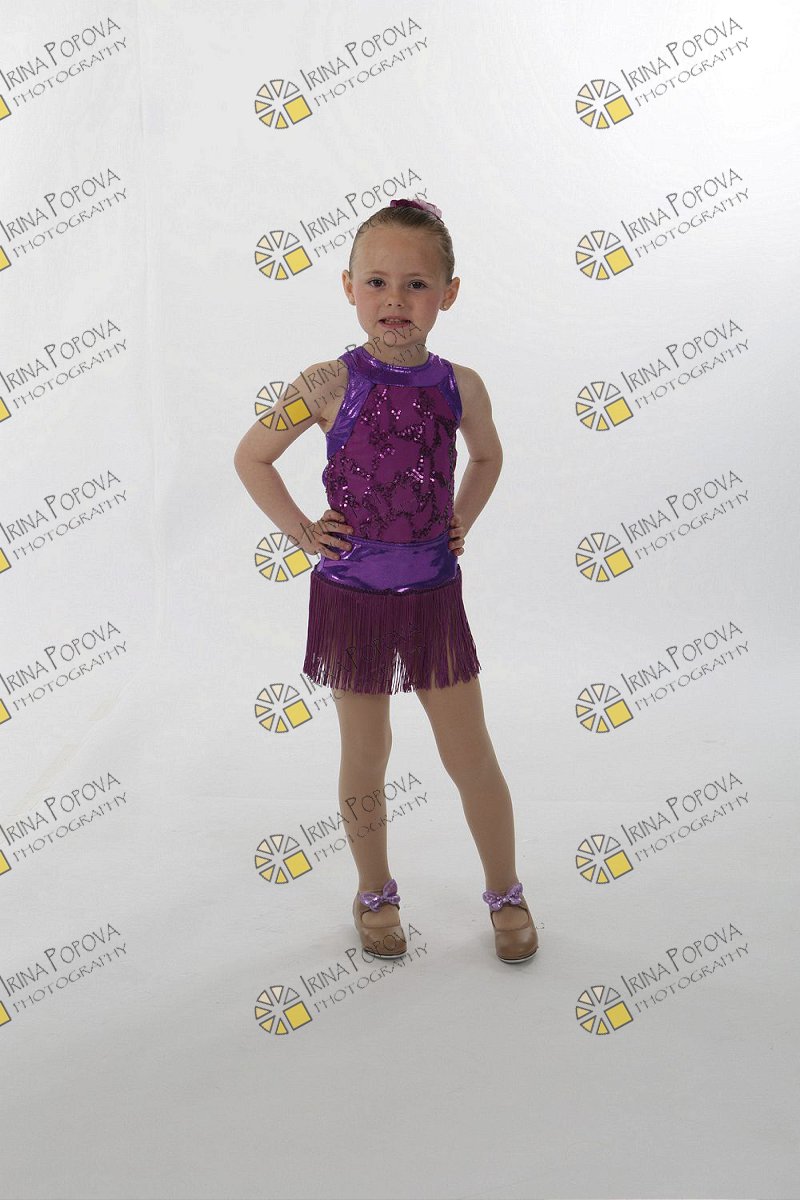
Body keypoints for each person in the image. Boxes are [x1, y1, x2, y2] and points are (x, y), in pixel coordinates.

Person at [233, 198, 538, 965]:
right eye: (376, 282)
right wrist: (303, 532)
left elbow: (488, 457)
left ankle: (505, 890)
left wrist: (461, 518)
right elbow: (252, 456)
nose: (394, 299)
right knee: (367, 753)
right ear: (348, 287)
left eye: (416, 284)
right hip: (352, 598)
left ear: (448, 293)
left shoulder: (461, 385)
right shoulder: (327, 382)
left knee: (470, 754)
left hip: (432, 595)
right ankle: (375, 891)